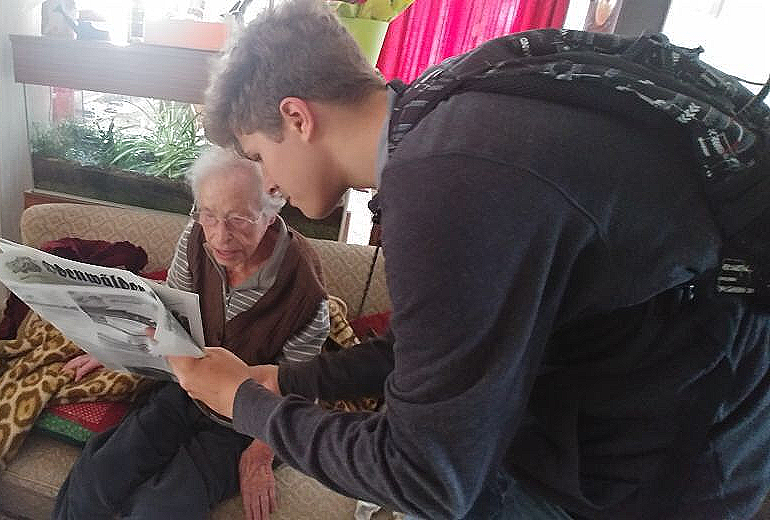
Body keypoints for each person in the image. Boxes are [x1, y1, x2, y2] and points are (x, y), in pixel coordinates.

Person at [166, 1, 770, 519]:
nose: (268, 185)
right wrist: (288, 380)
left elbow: (427, 477)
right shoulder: (443, 108)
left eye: (257, 156)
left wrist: (244, 402)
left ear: (297, 118)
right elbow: (433, 351)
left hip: (665, 459)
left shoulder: (447, 183)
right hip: (637, 408)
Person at [52, 146, 331, 520]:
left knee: (162, 508)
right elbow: (167, 315)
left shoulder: (305, 292)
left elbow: (298, 387)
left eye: (238, 219)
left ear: (272, 208)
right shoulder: (194, 239)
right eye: (209, 214)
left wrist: (261, 451)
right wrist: (115, 345)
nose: (219, 236)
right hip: (184, 388)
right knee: (95, 481)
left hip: (245, 417)